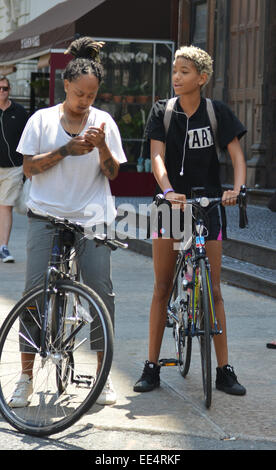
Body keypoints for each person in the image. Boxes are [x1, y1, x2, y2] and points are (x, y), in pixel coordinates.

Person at [9, 37, 127, 408]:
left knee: (99, 290)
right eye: (79, 94)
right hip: (46, 214)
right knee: (33, 294)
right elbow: (28, 168)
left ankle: (102, 375)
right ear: (66, 86)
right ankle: (26, 377)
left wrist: (103, 147)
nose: (85, 102)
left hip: (92, 218)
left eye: (91, 96)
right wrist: (66, 150)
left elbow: (113, 174)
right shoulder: (41, 120)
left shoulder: (103, 122)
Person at [134, 45, 247, 396]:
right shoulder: (162, 112)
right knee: (162, 287)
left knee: (214, 290)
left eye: (185, 71)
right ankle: (151, 366)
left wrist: (237, 189)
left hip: (208, 204)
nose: (177, 77)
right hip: (171, 205)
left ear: (202, 77)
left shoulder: (217, 112)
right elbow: (157, 157)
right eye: (175, 71)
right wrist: (167, 191)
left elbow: (237, 157)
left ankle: (224, 369)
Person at [0, 76, 28, 263]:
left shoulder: (19, 111)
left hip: (13, 168)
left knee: (5, 206)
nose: (2, 91)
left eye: (5, 88)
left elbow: (28, 139)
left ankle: (3, 247)